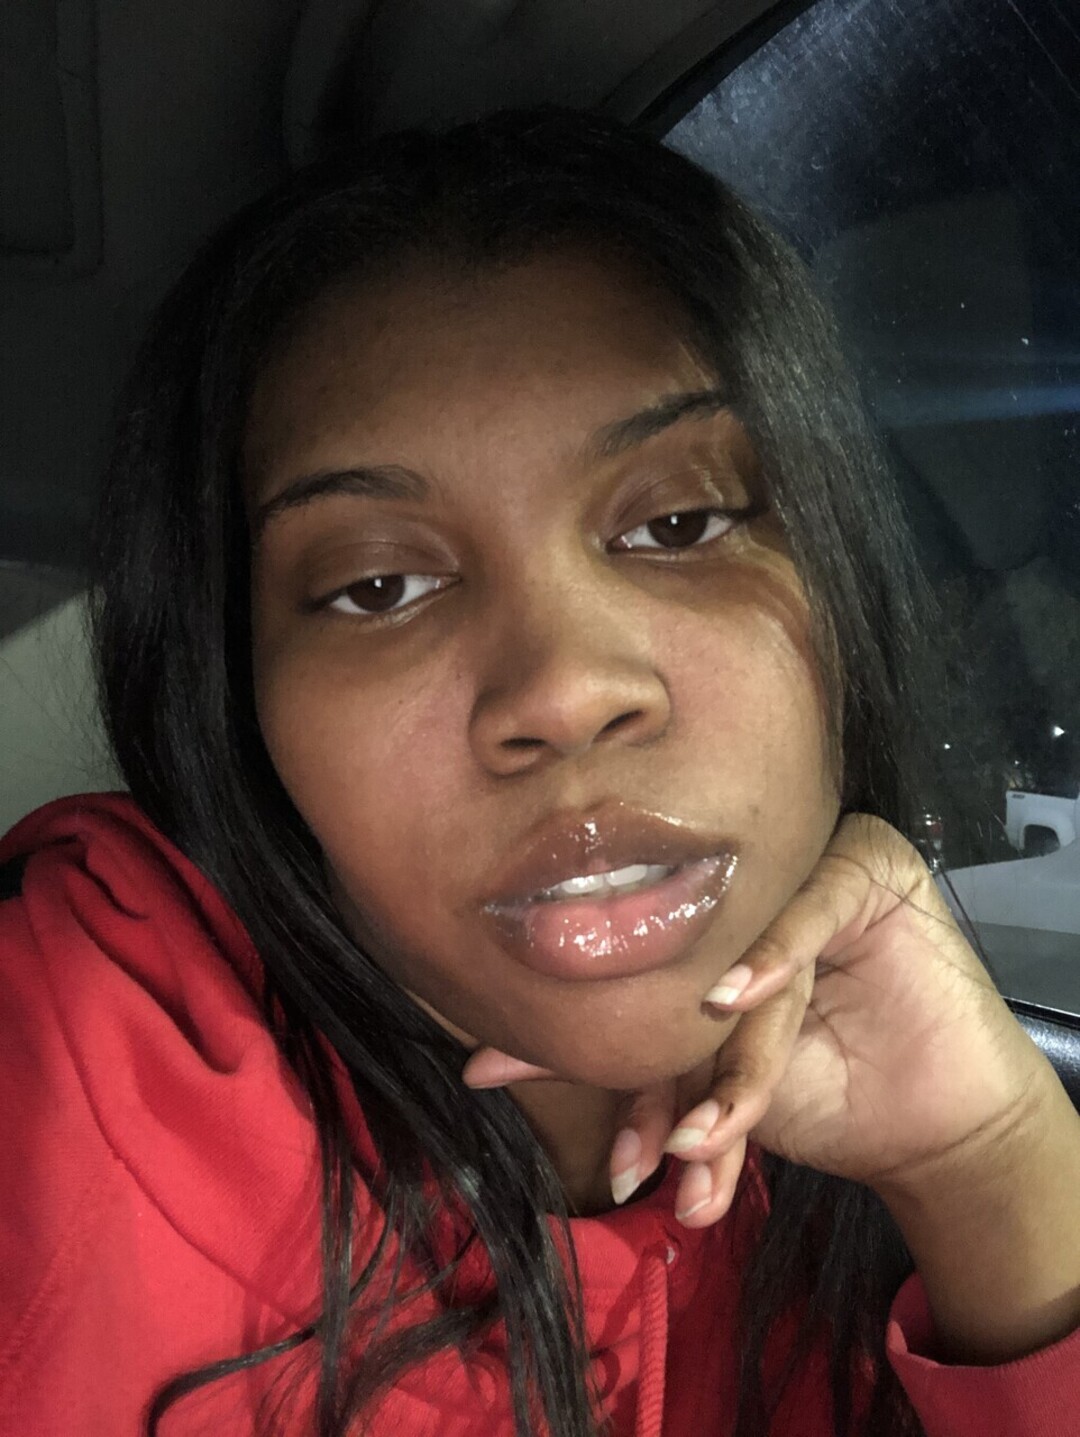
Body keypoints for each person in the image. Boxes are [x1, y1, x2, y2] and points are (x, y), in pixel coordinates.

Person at [1, 109, 1077, 1437]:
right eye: (379, 587)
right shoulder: (70, 1051)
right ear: (242, 707)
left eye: (680, 521)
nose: (565, 693)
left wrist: (991, 1166)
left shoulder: (858, 1177)